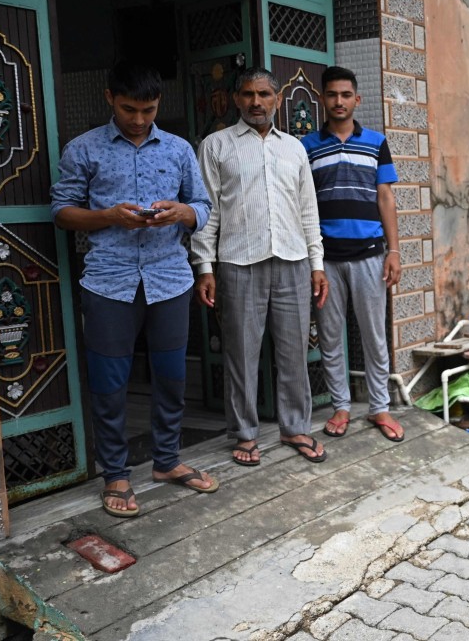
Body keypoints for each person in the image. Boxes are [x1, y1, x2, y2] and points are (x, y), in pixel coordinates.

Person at [51, 61, 217, 518]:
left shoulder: (181, 149)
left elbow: (203, 207)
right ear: (109, 99)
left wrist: (180, 212)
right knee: (109, 383)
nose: (140, 119)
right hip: (109, 280)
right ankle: (116, 474)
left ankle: (166, 461)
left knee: (172, 376)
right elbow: (62, 211)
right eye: (130, 109)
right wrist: (109, 216)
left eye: (149, 109)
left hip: (169, 278)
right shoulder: (83, 149)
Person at [191, 67, 330, 466]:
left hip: (293, 261)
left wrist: (316, 263)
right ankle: (245, 433)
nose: (257, 102)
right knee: (241, 353)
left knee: (293, 352)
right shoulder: (216, 146)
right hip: (238, 262)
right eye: (249, 94)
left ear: (277, 99)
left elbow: (308, 211)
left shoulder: (294, 148)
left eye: (265, 94)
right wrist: (204, 266)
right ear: (236, 99)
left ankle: (295, 428)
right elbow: (209, 211)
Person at [300, 66, 404, 443]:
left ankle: (380, 408)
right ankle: (340, 407)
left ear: (356, 99)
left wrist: (393, 250)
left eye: (346, 95)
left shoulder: (376, 142)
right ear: (322, 99)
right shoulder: (307, 147)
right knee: (330, 336)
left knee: (375, 335)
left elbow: (386, 198)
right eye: (332, 95)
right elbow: (304, 203)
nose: (339, 101)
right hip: (326, 260)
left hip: (369, 256)